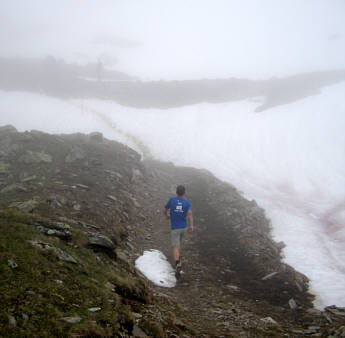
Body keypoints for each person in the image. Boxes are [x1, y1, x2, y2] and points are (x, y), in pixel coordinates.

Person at [163, 185, 194, 273]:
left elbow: (164, 210)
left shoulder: (172, 200)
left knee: (175, 246)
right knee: (178, 244)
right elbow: (190, 214)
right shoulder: (187, 203)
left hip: (175, 228)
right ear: (184, 193)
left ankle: (177, 263)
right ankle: (178, 258)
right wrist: (191, 226)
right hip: (184, 228)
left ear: (176, 192)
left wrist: (167, 216)